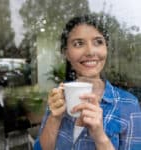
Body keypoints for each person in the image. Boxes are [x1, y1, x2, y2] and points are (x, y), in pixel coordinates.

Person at [34, 14, 141, 150]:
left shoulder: (129, 105)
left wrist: (100, 136)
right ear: (66, 53)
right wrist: (54, 118)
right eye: (78, 43)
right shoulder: (59, 96)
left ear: (106, 48)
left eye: (98, 42)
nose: (90, 51)